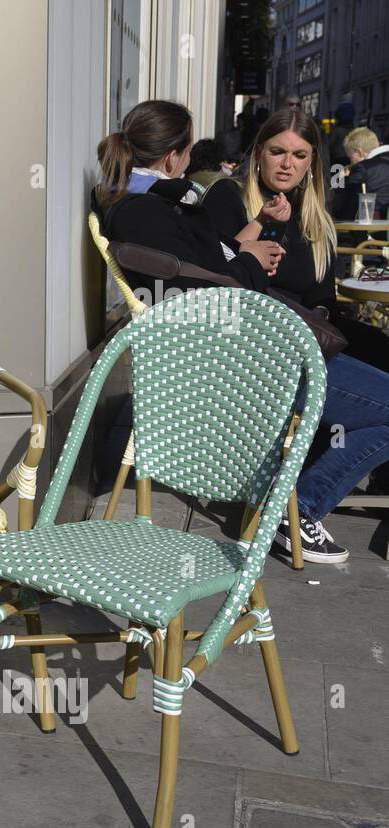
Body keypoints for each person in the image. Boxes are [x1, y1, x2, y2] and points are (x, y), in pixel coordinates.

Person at [94, 100, 389, 565]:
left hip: (288, 342)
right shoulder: (212, 201)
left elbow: (305, 297)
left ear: (314, 162)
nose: (287, 164)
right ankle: (296, 511)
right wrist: (252, 247)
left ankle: (297, 497)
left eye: (299, 155)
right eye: (277, 152)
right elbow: (215, 284)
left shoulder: (314, 219)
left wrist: (253, 251)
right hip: (256, 357)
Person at [330, 127, 389, 220]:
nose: (350, 163)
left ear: (359, 152)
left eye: (350, 157)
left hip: (373, 230)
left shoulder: (362, 168)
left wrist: (341, 180)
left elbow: (336, 205)